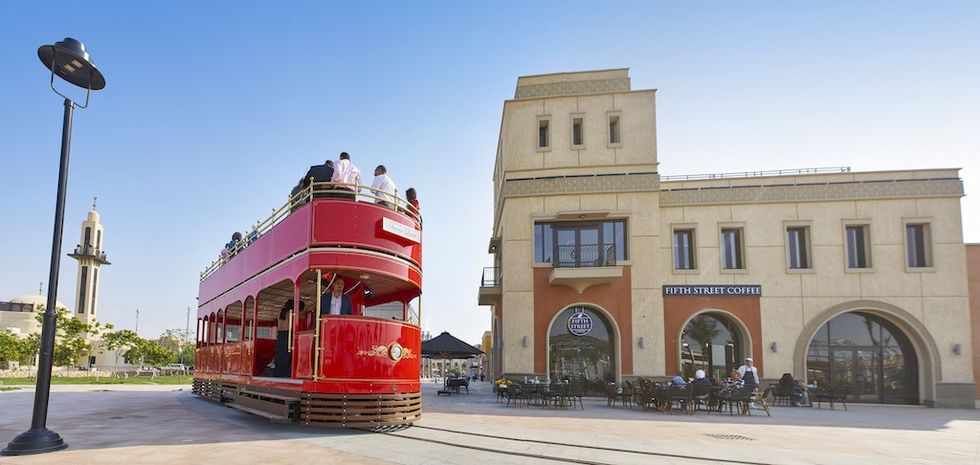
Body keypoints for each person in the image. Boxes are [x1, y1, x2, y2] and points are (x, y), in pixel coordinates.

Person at [274, 299, 303, 377]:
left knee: (280, 355)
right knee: (288, 355)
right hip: (288, 333)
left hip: (280, 334)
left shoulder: (280, 311)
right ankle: (287, 373)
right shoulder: (291, 313)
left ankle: (278, 373)